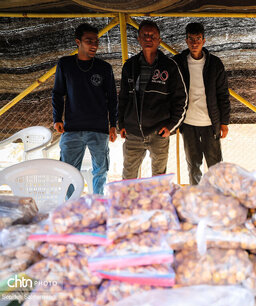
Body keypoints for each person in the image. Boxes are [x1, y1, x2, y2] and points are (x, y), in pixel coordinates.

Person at [52, 23, 117, 195]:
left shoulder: (104, 68)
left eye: (96, 41)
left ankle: (98, 206)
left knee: (100, 172)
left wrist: (113, 124)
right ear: (78, 42)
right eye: (89, 41)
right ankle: (71, 207)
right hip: (72, 128)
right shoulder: (65, 64)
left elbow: (112, 98)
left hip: (99, 129)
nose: (94, 45)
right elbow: (58, 93)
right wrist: (57, 118)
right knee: (69, 173)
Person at [118, 20, 188, 179]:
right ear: (138, 39)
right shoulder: (130, 66)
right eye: (145, 35)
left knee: (159, 178)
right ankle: (128, 204)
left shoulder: (170, 66)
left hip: (159, 132)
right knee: (128, 176)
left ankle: (157, 203)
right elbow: (122, 98)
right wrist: (121, 123)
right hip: (133, 133)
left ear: (159, 40)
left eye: (152, 35)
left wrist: (170, 127)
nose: (148, 38)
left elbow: (181, 99)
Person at [173, 22, 230, 185]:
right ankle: (196, 199)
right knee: (193, 166)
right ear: (186, 41)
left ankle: (218, 197)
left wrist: (224, 122)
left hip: (210, 122)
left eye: (198, 38)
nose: (194, 42)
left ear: (204, 41)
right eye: (191, 39)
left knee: (216, 166)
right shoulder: (178, 62)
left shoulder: (215, 64)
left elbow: (223, 94)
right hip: (188, 123)